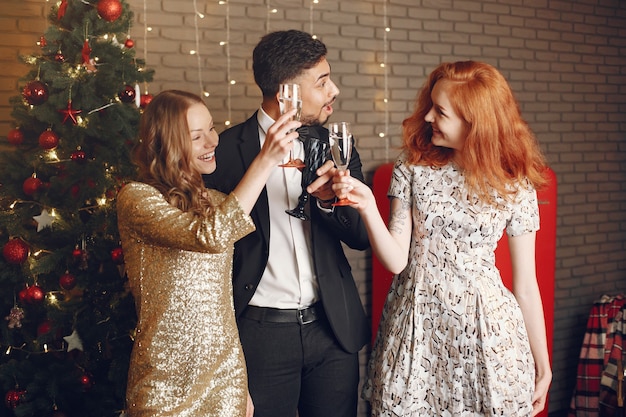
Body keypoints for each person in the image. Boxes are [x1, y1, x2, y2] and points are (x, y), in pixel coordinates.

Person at [331, 61, 553, 416]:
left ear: (475, 121)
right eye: (430, 105)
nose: (428, 117)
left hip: (486, 335)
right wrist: (368, 206)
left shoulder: (514, 183)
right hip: (416, 328)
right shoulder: (413, 167)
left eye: (441, 111)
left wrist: (544, 364)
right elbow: (396, 260)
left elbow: (526, 286)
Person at [203, 30, 370, 417]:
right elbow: (210, 246)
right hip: (258, 335)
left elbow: (362, 236)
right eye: (323, 82)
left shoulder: (336, 145)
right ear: (286, 94)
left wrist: (331, 205)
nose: (335, 90)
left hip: (331, 330)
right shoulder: (224, 153)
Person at [117, 90, 299, 417]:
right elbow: (209, 236)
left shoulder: (217, 201)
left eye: (212, 129)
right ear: (167, 146)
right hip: (164, 381)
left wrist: (240, 385)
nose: (213, 141)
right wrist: (266, 159)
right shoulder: (137, 199)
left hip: (225, 375)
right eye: (196, 136)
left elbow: (223, 304)